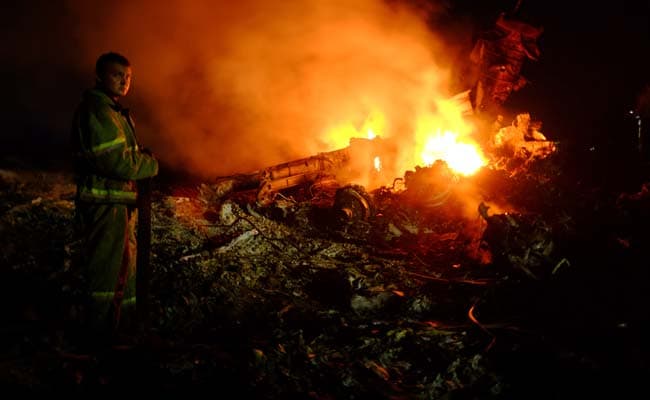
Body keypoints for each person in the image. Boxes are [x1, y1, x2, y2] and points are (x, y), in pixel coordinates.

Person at [71, 52, 158, 344]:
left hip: (117, 204)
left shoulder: (112, 111)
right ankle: (99, 334)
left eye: (128, 76)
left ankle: (122, 327)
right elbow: (114, 161)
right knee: (106, 271)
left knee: (123, 267)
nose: (124, 81)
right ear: (99, 76)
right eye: (117, 75)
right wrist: (150, 164)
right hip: (104, 205)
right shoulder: (97, 111)